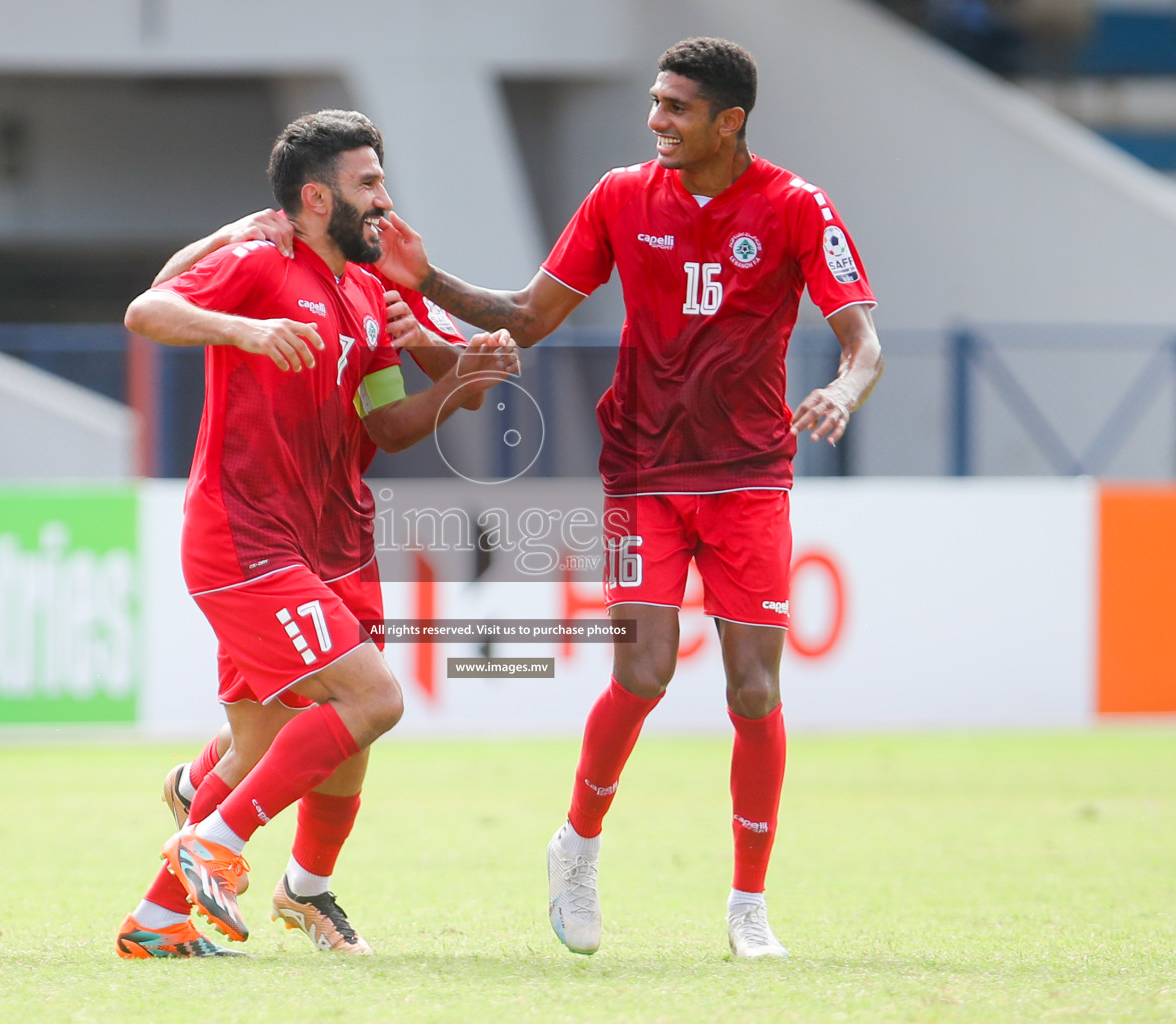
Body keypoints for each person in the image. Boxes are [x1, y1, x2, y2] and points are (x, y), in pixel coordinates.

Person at [375, 37, 884, 958]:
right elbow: (528, 315)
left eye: (676, 108)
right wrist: (429, 281)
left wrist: (841, 394)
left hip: (748, 478)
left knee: (753, 688)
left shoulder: (796, 207)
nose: (656, 120)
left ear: (729, 122)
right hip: (642, 472)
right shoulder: (619, 197)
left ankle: (747, 907)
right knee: (642, 671)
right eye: (654, 102)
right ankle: (576, 847)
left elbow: (865, 344)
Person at [115, 109, 517, 959]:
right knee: (371, 700)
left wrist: (462, 381)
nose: (384, 199)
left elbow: (388, 425)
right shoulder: (260, 261)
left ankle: (158, 920)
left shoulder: (370, 290)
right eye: (367, 183)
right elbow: (148, 310)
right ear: (315, 196)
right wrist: (245, 329)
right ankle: (214, 840)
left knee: (283, 741)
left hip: (334, 538)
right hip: (245, 532)